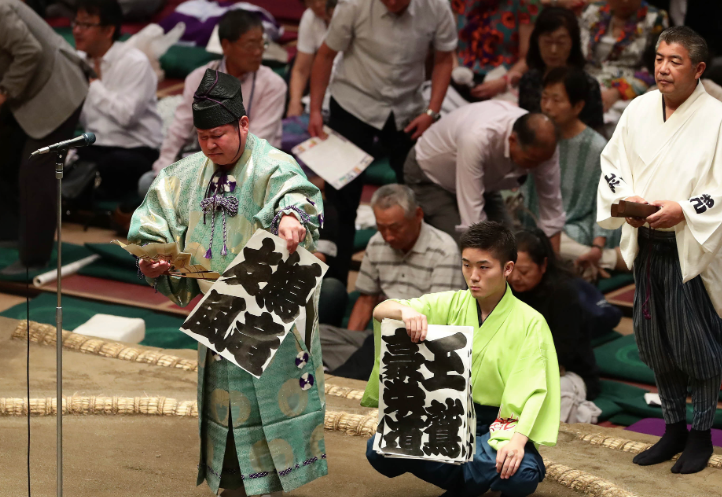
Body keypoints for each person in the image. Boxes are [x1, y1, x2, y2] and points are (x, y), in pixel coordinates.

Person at [129, 69, 327, 495]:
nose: (209, 145)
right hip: (217, 311)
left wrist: (293, 217)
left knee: (269, 415)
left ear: (243, 124)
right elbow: (151, 226)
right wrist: (153, 262)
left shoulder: (273, 165)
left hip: (269, 310)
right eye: (202, 137)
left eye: (217, 134)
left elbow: (298, 195)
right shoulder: (183, 175)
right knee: (228, 420)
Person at [597, 26, 722, 474]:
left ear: (699, 69)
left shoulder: (717, 117)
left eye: (675, 61)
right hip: (647, 244)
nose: (663, 68)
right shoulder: (638, 109)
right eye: (659, 58)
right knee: (656, 343)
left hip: (692, 250)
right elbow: (612, 165)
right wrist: (629, 202)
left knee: (698, 347)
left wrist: (684, 210)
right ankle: (672, 427)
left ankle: (701, 435)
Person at [363, 221, 560, 497]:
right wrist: (405, 314)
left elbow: (533, 390)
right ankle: (468, 480)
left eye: (483, 267)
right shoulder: (451, 303)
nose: (473, 276)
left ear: (507, 269)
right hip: (446, 416)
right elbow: (381, 310)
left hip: (500, 424)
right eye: (466, 265)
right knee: (379, 449)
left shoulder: (531, 323)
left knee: (522, 472)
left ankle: (467, 478)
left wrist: (517, 441)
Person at [308, 0, 457, 285]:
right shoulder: (354, 5)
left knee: (414, 194)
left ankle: (417, 278)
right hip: (353, 104)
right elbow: (326, 55)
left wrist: (432, 111)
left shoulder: (436, 7)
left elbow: (444, 58)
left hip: (408, 110)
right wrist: (316, 110)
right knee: (342, 199)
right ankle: (335, 283)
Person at [320, 184, 464, 374]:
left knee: (374, 356)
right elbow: (366, 301)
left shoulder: (444, 249)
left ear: (418, 215)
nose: (388, 236)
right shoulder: (376, 243)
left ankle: (365, 366)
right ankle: (365, 363)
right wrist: (357, 341)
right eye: (381, 227)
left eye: (395, 228)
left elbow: (440, 318)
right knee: (317, 337)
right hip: (378, 337)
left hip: (420, 341)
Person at [140, 10, 287, 196]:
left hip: (253, 168)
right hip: (205, 162)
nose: (258, 52)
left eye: (261, 44)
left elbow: (258, 140)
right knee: (148, 184)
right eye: (250, 45)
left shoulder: (273, 84)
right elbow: (180, 128)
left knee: (221, 194)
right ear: (226, 46)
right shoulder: (199, 78)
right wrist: (163, 170)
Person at [0, 0, 89, 275]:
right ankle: (11, 230)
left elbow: (29, 51)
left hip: (57, 88)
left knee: (35, 170)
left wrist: (3, 94)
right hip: (26, 92)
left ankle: (34, 257)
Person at [404, 100, 565, 248]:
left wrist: (553, 268)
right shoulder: (477, 138)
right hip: (430, 179)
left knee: (513, 249)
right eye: (530, 161)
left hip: (483, 183)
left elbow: (551, 210)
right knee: (461, 251)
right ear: (512, 140)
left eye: (541, 162)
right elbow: (474, 225)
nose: (536, 167)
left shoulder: (545, 148)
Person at [523, 67, 626, 280]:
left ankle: (594, 257)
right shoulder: (537, 134)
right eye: (544, 98)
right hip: (535, 222)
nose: (547, 107)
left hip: (577, 227)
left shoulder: (597, 148)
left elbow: (606, 202)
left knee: (547, 242)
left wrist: (598, 245)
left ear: (577, 106)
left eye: (556, 100)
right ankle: (607, 260)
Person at [510, 228, 603, 424]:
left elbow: (563, 351)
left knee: (539, 400)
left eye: (524, 271)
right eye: (510, 270)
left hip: (568, 372)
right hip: (515, 369)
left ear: (543, 265)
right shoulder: (505, 288)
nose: (515, 277)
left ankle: (580, 414)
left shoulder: (563, 292)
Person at [72, 0, 163, 200]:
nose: (77, 31)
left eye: (86, 25)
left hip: (136, 149)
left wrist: (94, 85)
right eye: (75, 24)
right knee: (55, 157)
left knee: (114, 165)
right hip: (94, 147)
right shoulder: (75, 60)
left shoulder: (134, 62)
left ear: (108, 30)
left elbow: (127, 116)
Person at [518, 7, 604, 132]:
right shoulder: (528, 81)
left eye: (561, 42)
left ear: (572, 43)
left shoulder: (588, 85)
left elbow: (596, 133)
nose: (553, 50)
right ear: (537, 42)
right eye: (547, 42)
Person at [580, 0, 668, 115]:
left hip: (631, 83)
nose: (625, 1)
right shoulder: (592, 11)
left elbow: (656, 68)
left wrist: (618, 91)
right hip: (587, 77)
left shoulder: (655, 18)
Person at [452, 0, 541, 101]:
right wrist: (454, 70)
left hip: (505, 81)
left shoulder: (525, 3)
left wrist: (503, 82)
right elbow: (447, 46)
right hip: (459, 76)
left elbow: (527, 58)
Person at [286, 0, 337, 117]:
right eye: (310, 1)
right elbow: (301, 69)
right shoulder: (310, 17)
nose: (317, 5)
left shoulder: (351, 13)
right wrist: (294, 102)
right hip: (317, 103)